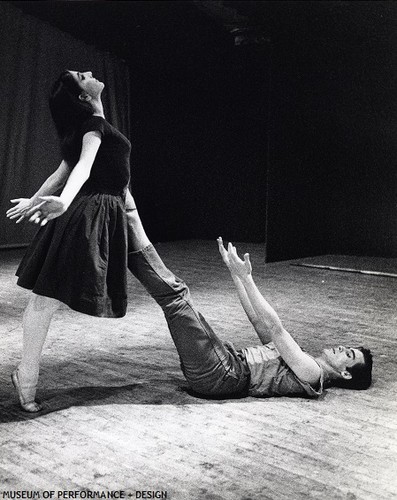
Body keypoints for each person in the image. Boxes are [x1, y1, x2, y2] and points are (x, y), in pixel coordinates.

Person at [6, 70, 138, 412]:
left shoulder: (91, 126)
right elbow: (79, 169)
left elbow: (60, 172)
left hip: (103, 212)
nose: (91, 73)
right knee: (47, 296)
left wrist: (36, 199)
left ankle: (28, 374)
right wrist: (59, 201)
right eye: (83, 76)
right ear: (83, 95)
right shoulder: (93, 128)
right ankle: (27, 375)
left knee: (47, 297)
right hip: (90, 213)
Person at [126, 229, 373, 399]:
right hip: (222, 366)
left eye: (348, 354)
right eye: (347, 347)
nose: (341, 347)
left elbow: (276, 328)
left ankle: (130, 226)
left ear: (345, 373)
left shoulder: (312, 374)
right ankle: (127, 232)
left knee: (177, 298)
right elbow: (258, 321)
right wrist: (235, 273)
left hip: (223, 375)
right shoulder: (303, 361)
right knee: (176, 299)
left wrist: (248, 278)